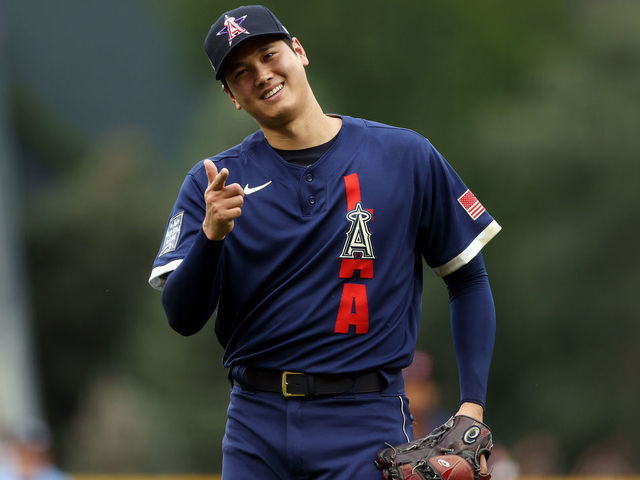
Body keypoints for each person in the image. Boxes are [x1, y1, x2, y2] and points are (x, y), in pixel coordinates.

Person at [149, 5, 500, 479]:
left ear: (298, 52)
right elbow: (182, 317)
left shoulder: (404, 156)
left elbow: (468, 278)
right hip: (257, 424)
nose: (262, 75)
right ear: (233, 95)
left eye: (270, 55)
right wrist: (211, 238)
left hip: (365, 421)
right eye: (241, 73)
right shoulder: (213, 184)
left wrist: (471, 406)